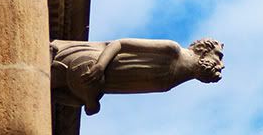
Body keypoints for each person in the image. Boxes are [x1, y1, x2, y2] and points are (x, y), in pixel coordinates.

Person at [50, 36, 224, 115]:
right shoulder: (172, 50)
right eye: (218, 56)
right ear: (204, 50)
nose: (221, 65)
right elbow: (120, 44)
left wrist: (90, 99)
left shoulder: (171, 82)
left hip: (83, 84)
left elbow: (117, 87)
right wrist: (100, 67)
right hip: (87, 63)